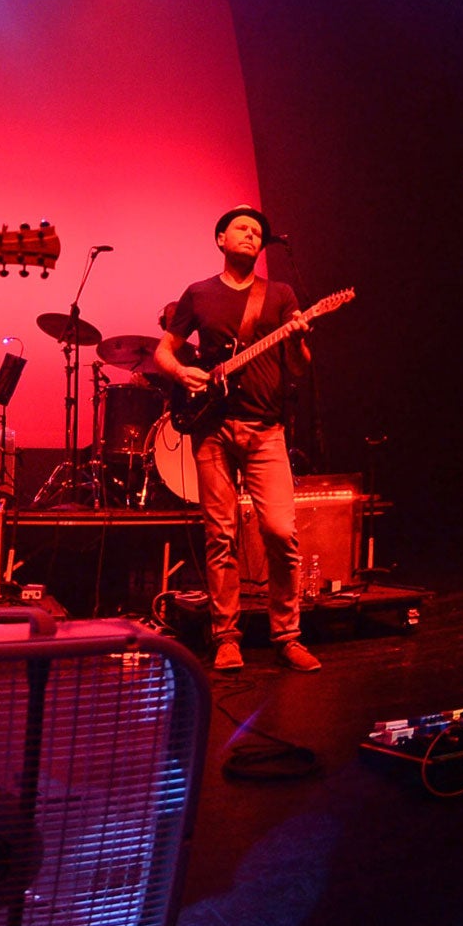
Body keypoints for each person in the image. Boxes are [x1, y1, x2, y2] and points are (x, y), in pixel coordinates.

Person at [152, 206, 320, 674]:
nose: (251, 234)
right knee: (219, 535)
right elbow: (164, 350)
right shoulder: (198, 294)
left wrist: (301, 338)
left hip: (266, 429)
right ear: (221, 238)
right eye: (241, 229)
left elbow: (300, 368)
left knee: (281, 533)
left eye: (257, 232)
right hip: (212, 427)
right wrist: (182, 372)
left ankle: (287, 634)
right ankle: (227, 637)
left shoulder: (280, 294)